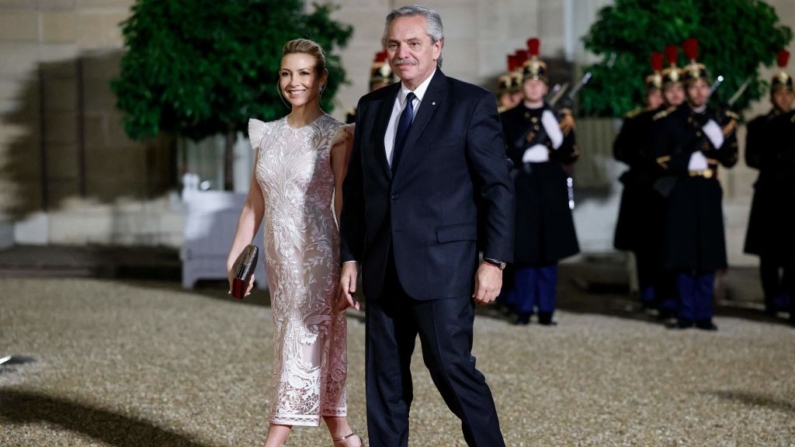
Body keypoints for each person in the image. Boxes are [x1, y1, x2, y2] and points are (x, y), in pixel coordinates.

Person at [338, 5, 514, 447]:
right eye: (394, 44)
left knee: (453, 373)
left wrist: (494, 260)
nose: (403, 53)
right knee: (385, 386)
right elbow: (358, 191)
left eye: (414, 43)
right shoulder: (372, 106)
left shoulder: (471, 103)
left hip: (443, 268)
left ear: (437, 48)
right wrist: (351, 255)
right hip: (381, 269)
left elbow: (497, 188)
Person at [226, 38, 361, 447]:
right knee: (304, 356)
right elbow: (254, 203)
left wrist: (350, 264)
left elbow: (344, 200)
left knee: (298, 347)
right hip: (279, 262)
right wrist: (235, 258)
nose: (293, 81)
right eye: (286, 73)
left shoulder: (334, 135)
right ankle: (347, 438)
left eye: (304, 73)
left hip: (318, 257)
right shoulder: (266, 134)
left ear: (321, 79)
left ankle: (273, 441)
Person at [652, 38, 738, 331]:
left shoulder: (719, 119)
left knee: (708, 252)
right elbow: (661, 158)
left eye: (704, 86)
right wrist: (687, 162)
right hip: (683, 190)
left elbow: (730, 158)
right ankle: (685, 311)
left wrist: (719, 138)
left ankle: (704, 313)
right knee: (684, 253)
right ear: (686, 91)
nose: (700, 91)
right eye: (694, 87)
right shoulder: (670, 119)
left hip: (708, 189)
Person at [499, 37, 580, 326]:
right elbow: (501, 154)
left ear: (545, 87)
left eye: (539, 83)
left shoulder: (556, 116)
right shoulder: (508, 118)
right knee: (525, 249)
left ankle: (546, 309)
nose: (534, 87)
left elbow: (571, 151)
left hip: (550, 184)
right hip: (523, 184)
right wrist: (524, 152)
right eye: (529, 83)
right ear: (523, 86)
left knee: (549, 249)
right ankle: (523, 308)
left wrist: (555, 133)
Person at [744, 49, 795, 319]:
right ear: (772, 96)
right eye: (779, 93)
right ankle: (772, 300)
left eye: (788, 94)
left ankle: (788, 297)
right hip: (768, 193)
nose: (784, 99)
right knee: (768, 254)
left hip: (792, 194)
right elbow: (753, 157)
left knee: (792, 252)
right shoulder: (759, 125)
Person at [613, 52, 665, 311]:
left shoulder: (670, 119)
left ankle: (664, 295)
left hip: (665, 191)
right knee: (643, 248)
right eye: (653, 93)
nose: (657, 97)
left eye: (660, 92)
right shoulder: (636, 120)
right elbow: (620, 150)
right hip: (641, 191)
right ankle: (647, 293)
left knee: (664, 246)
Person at [346, 50, 396, 124]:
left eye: (386, 87)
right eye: (378, 86)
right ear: (371, 88)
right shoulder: (357, 115)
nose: (381, 91)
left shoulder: (398, 113)